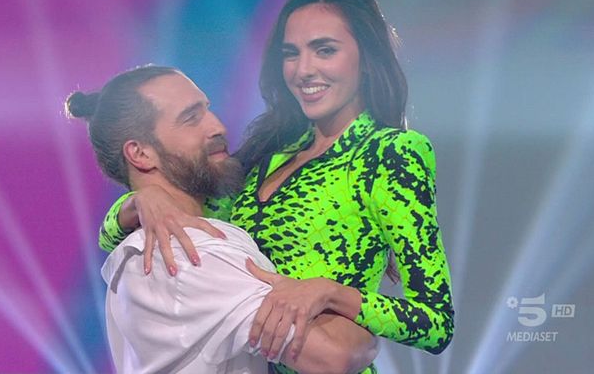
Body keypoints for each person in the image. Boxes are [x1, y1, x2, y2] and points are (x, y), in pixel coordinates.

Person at [101, 0, 454, 374]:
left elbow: (436, 322)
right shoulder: (264, 154)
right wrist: (139, 202)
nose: (304, 70)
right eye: (291, 53)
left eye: (325, 50)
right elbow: (146, 233)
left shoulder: (390, 153)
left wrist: (331, 294)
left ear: (366, 58)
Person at [67, 65, 378, 374]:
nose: (218, 127)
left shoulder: (155, 249)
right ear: (140, 154)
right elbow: (337, 355)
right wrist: (332, 294)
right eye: (191, 118)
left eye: (208, 109)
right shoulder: (187, 256)